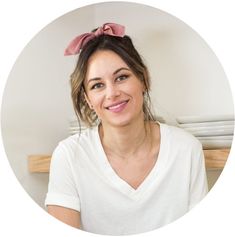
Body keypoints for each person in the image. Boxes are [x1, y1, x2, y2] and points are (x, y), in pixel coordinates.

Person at [45, 23, 208, 235]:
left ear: (144, 79)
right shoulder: (69, 156)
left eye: (121, 77)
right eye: (97, 85)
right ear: (87, 98)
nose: (112, 93)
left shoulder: (186, 149)